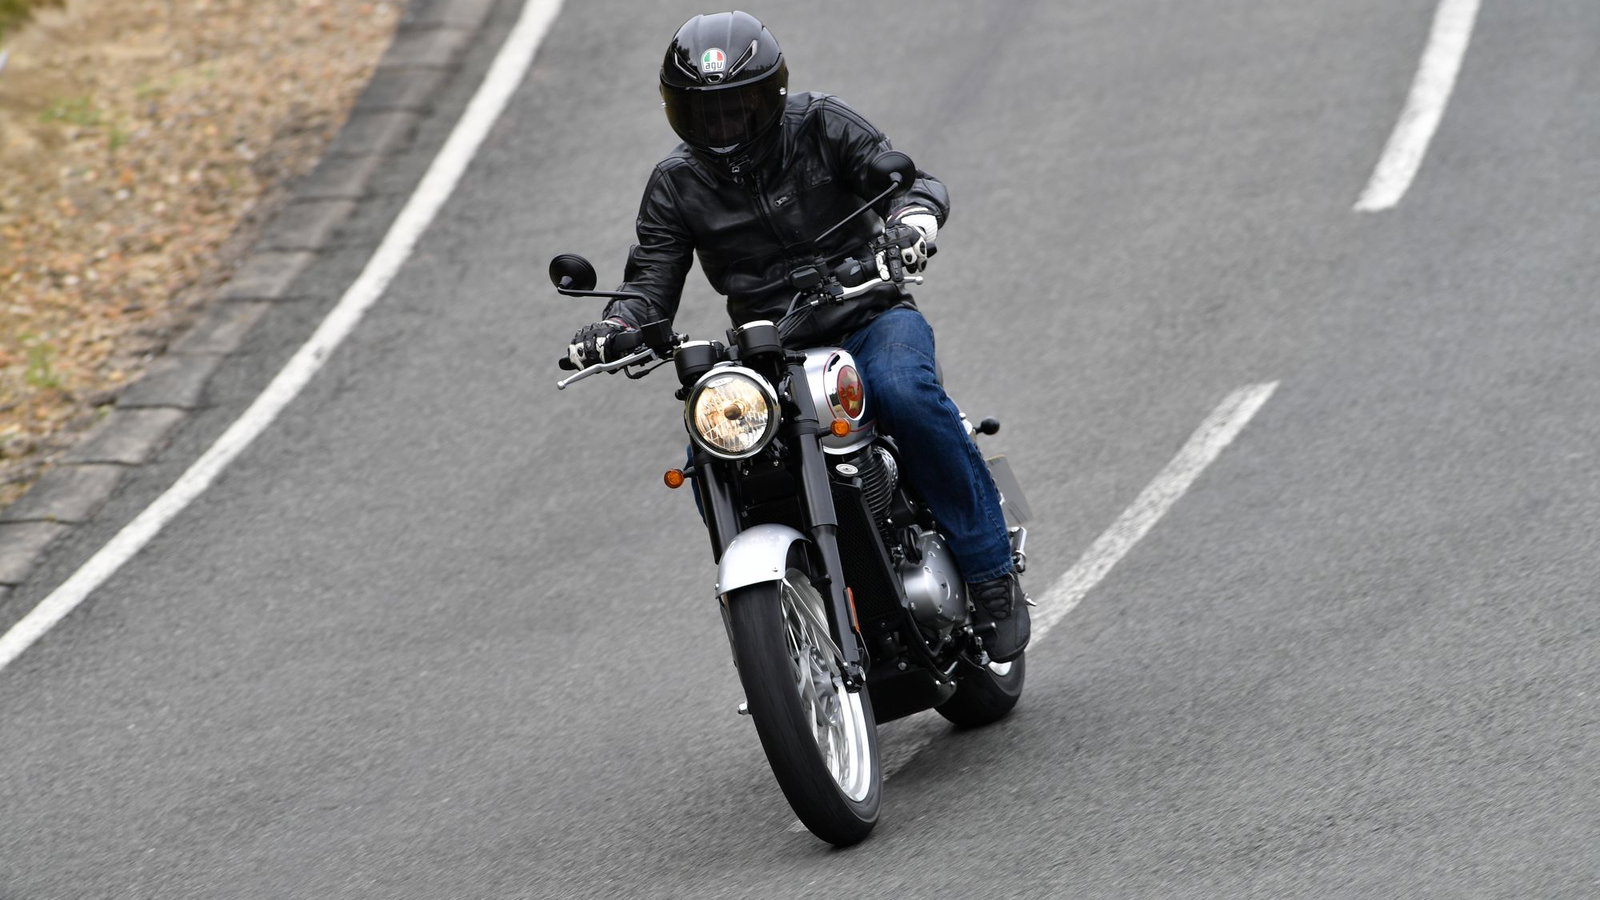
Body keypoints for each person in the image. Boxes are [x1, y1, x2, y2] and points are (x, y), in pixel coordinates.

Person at [564, 11, 1030, 661]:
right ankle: (775, 624)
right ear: (680, 113)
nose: (724, 127)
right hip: (770, 349)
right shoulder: (676, 183)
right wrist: (616, 329)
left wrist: (913, 222)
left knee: (902, 391)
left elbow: (906, 183)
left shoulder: (822, 125)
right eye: (707, 113)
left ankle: (988, 573)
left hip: (867, 315)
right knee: (714, 451)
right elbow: (650, 282)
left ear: (772, 95)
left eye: (739, 108)